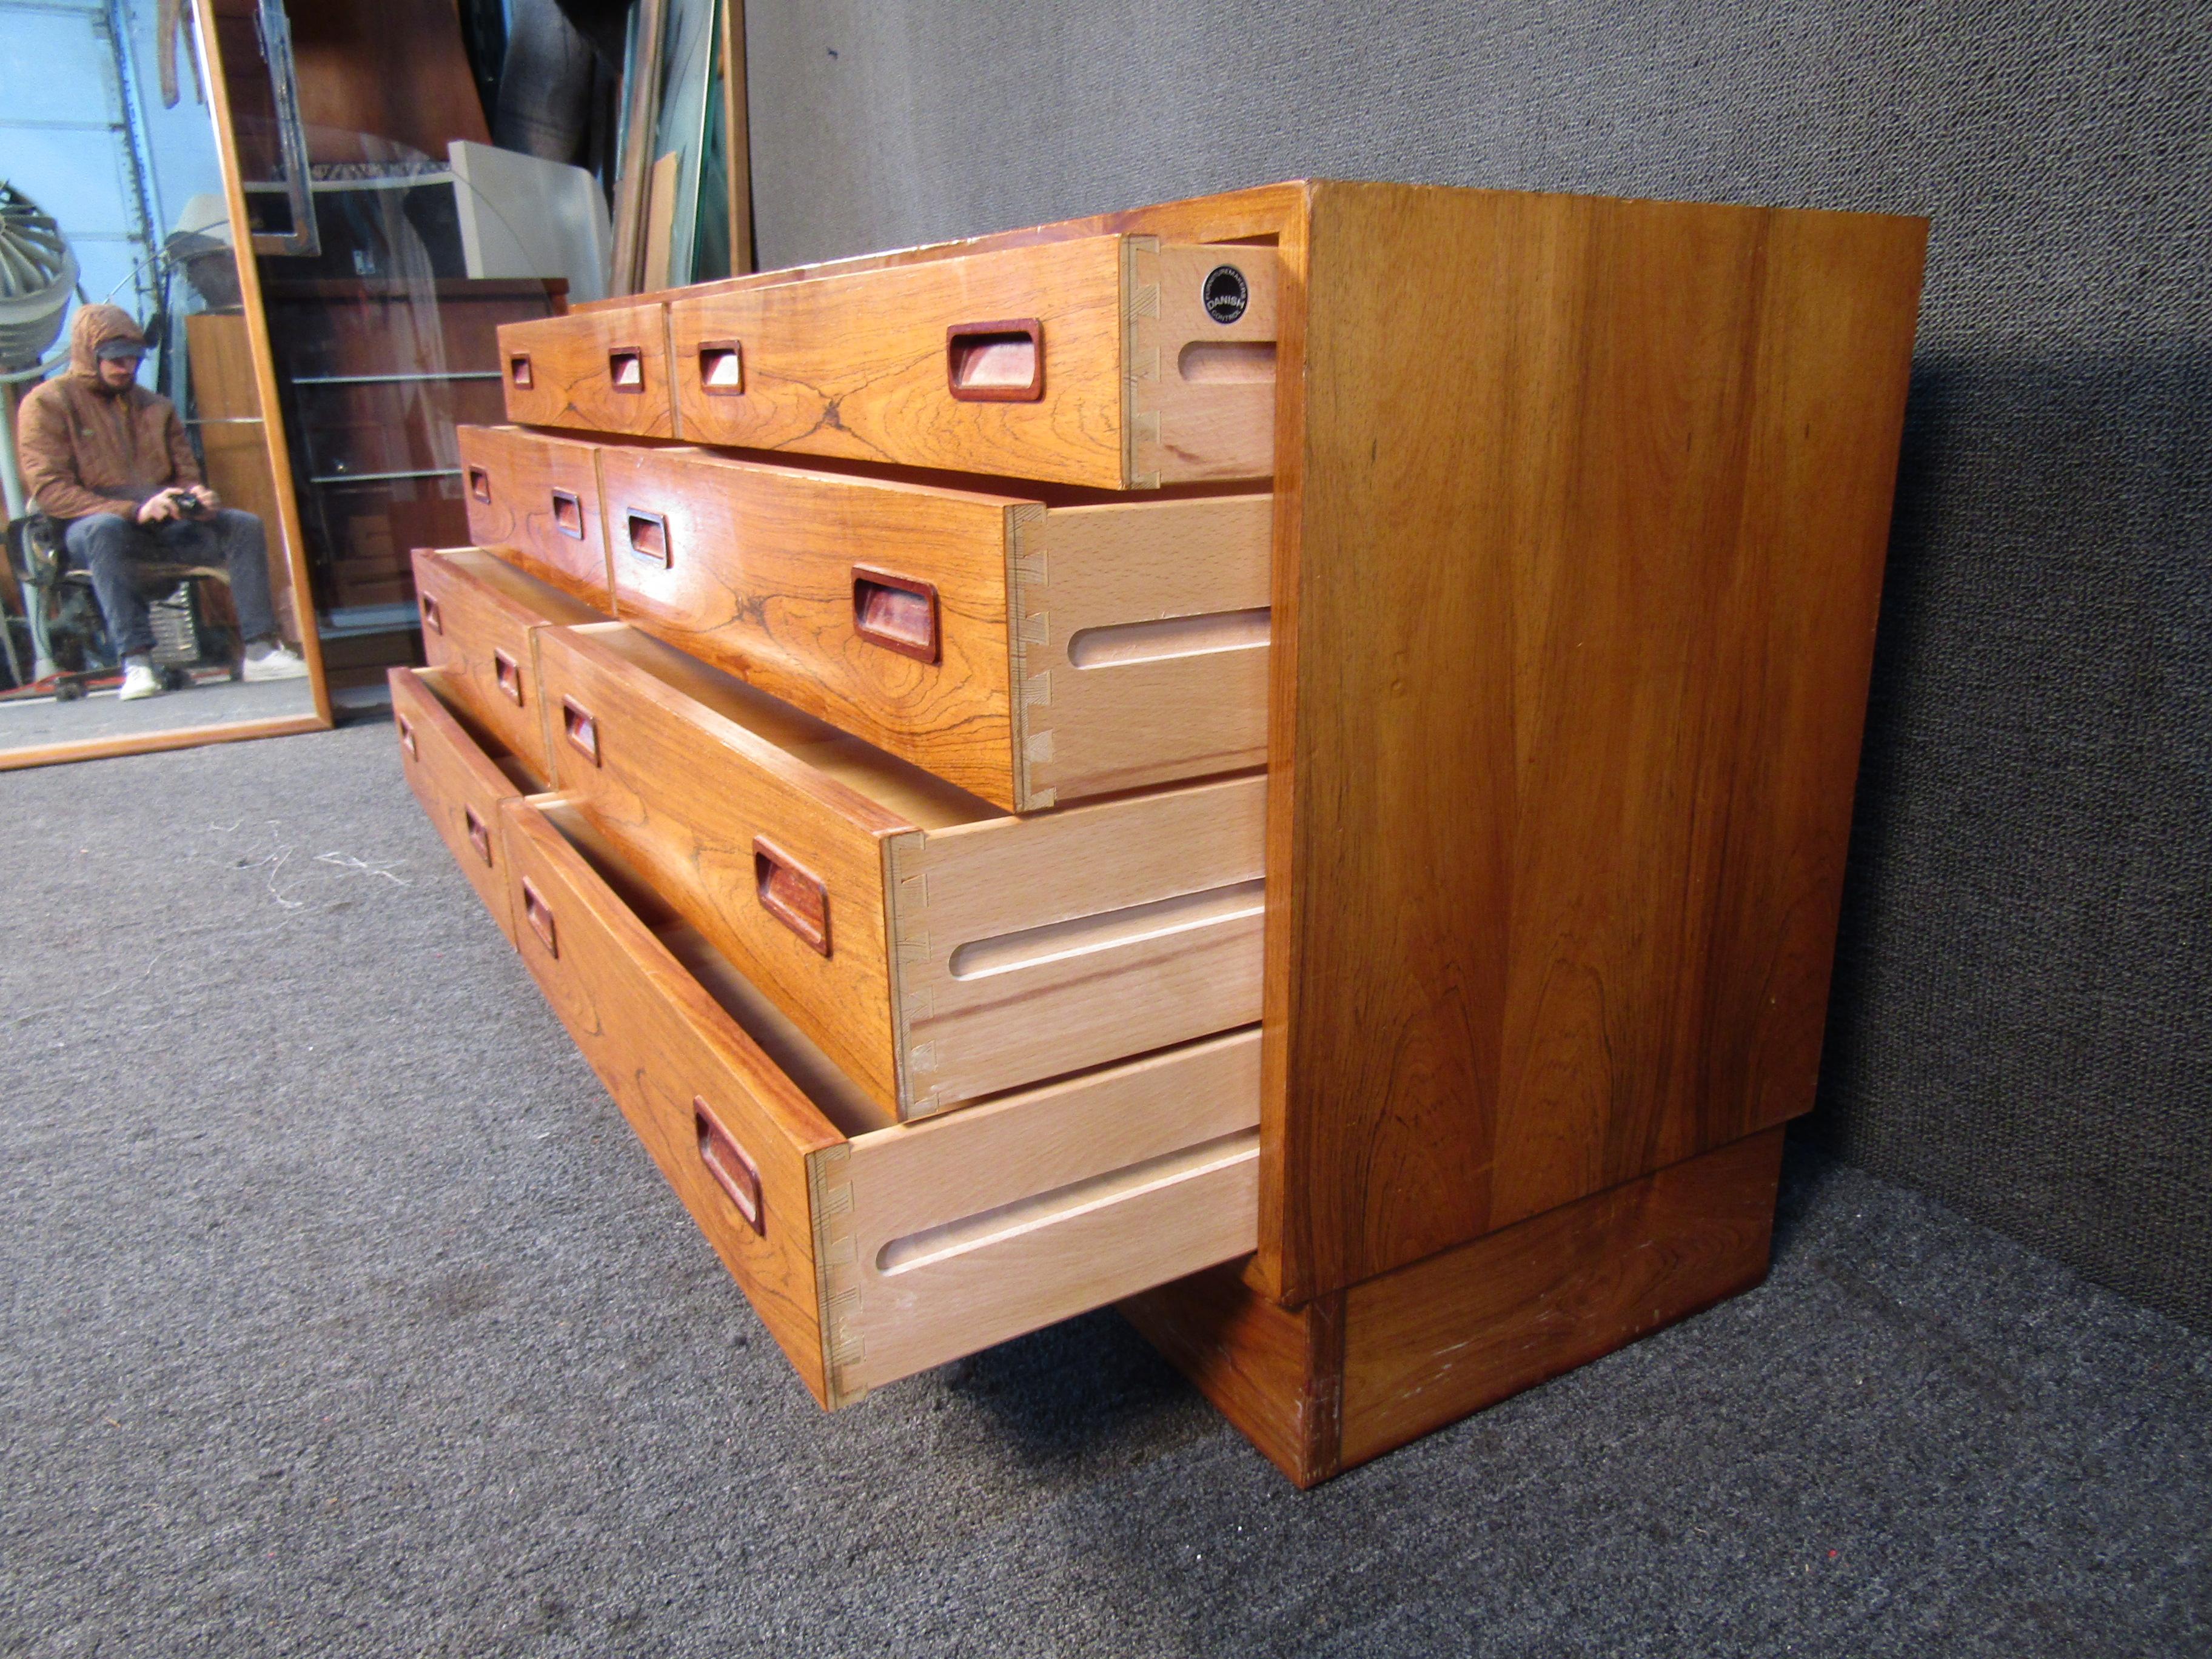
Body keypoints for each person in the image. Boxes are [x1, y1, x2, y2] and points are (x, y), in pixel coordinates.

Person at [16, 304, 309, 702]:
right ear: (89, 355)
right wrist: (133, 509)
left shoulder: (157, 407)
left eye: (134, 359)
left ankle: (259, 650)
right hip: (89, 528)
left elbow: (186, 476)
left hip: (161, 523)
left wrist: (196, 500)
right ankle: (136, 661)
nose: (126, 368)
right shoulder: (46, 403)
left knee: (242, 524)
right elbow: (51, 491)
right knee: (106, 529)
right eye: (115, 359)